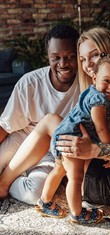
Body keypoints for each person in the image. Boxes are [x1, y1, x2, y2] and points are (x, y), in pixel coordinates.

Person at [0, 27, 110, 207]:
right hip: (102, 170)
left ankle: (5, 184)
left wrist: (98, 150)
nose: (88, 64)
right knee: (60, 128)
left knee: (52, 121)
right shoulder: (97, 88)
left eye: (95, 55)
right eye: (83, 59)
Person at [35, 54, 110, 223]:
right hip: (72, 139)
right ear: (94, 78)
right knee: (76, 178)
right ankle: (77, 214)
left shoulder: (90, 92)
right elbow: (101, 128)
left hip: (61, 135)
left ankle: (44, 202)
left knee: (59, 170)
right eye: (106, 80)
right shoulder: (99, 101)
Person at [0, 24, 80, 203]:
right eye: (56, 58)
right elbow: (5, 126)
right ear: (48, 57)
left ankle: (8, 182)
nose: (63, 64)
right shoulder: (29, 82)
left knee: (35, 193)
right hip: (21, 138)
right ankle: (13, 174)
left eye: (69, 57)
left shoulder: (86, 87)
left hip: (51, 149)